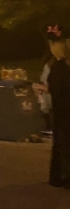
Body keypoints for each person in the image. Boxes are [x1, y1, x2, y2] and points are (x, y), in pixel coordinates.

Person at [36, 25, 70, 188]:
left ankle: (62, 176)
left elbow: (57, 89)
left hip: (63, 111)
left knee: (63, 144)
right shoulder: (60, 66)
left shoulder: (59, 67)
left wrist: (41, 88)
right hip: (63, 109)